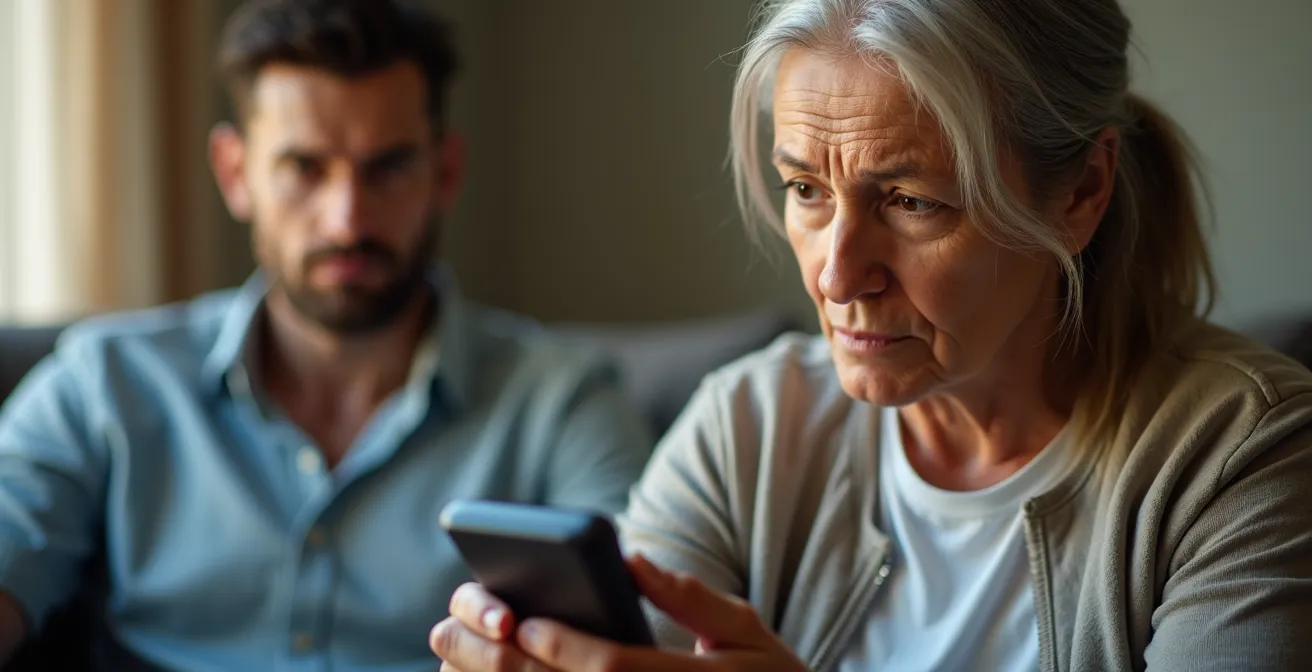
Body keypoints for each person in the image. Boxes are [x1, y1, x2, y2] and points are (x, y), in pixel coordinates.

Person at [429, 0, 1312, 670]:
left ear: (1081, 192)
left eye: (911, 201)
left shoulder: (1247, 453)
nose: (835, 274)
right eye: (806, 189)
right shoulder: (752, 424)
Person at [0, 0, 652, 670]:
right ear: (235, 173)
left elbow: (646, 629)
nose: (346, 220)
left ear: (445, 172)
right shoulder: (104, 383)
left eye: (388, 166)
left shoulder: (561, 400)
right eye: (304, 168)